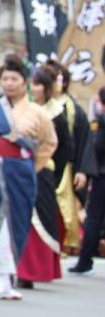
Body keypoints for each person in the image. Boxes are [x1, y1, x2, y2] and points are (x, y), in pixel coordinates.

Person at [0, 54, 56, 300]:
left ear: (25, 82)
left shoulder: (36, 112)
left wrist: (32, 167)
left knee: (16, 221)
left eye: (15, 79)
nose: (9, 83)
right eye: (5, 79)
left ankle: (7, 276)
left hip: (20, 170)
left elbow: (49, 142)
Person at [16, 65, 65, 287]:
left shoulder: (58, 113)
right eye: (32, 84)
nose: (34, 89)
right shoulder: (20, 108)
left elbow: (64, 148)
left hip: (43, 169)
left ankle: (36, 269)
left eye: (39, 84)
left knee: (40, 220)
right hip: (17, 168)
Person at [43, 61, 91, 258]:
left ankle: (65, 242)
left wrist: (82, 170)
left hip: (65, 164)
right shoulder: (36, 106)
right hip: (39, 163)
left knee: (64, 208)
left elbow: (82, 140)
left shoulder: (72, 108)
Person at [69, 86, 105, 274]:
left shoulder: (99, 123)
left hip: (101, 176)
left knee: (94, 219)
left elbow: (96, 148)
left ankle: (85, 261)